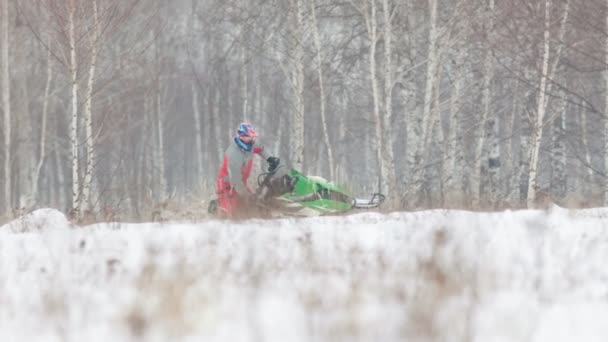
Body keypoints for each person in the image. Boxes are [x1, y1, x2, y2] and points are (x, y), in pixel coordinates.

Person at [215, 122, 280, 217]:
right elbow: (236, 181)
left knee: (254, 207)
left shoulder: (250, 145)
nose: (253, 140)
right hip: (228, 186)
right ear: (242, 137)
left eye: (254, 137)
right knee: (232, 214)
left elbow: (261, 149)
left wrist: (270, 158)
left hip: (242, 183)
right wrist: (247, 196)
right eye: (250, 137)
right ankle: (216, 206)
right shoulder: (233, 154)